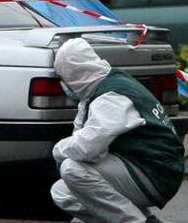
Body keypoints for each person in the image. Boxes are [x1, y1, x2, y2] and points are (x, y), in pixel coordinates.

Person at [50, 38, 184, 223]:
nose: (62, 84)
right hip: (149, 166)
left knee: (72, 170)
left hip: (156, 173)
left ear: (74, 74)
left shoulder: (110, 97)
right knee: (63, 192)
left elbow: (88, 149)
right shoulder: (107, 83)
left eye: (62, 78)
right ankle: (147, 219)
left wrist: (58, 149)